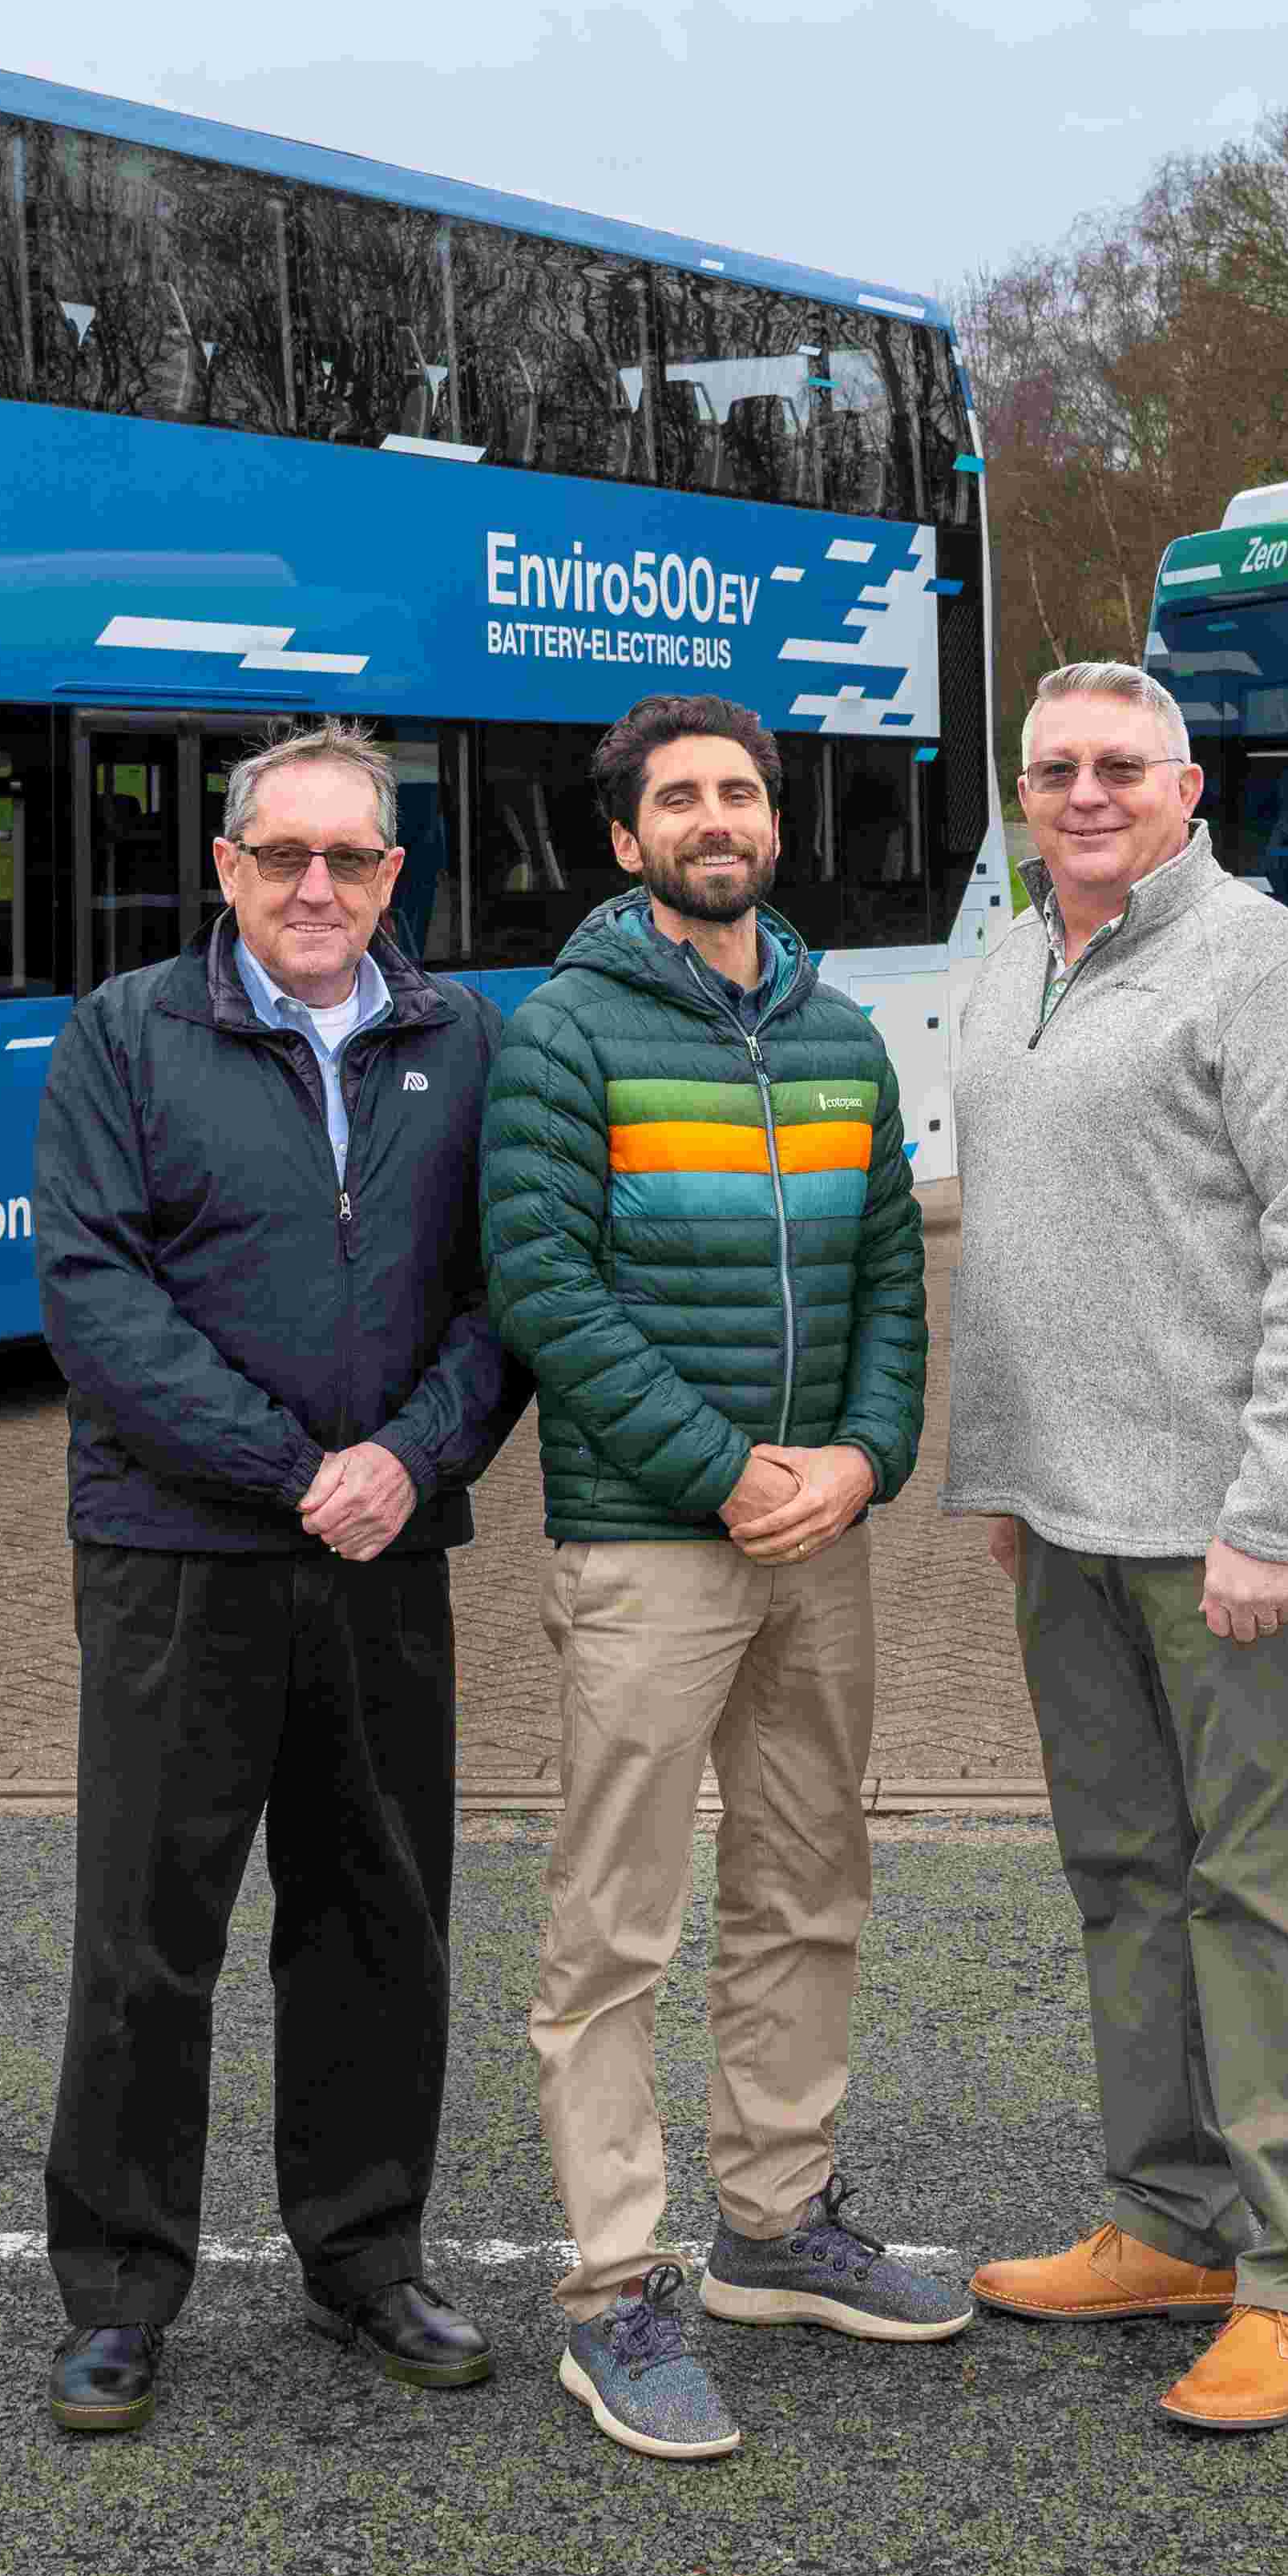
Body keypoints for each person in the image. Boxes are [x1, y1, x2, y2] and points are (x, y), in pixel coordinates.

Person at [27, 720, 525, 2439]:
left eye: (353, 860)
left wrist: (413, 1457)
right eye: (282, 856)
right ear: (227, 870)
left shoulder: (465, 1042)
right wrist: (294, 1469)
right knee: (146, 1937)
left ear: (395, 879)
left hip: (389, 1553)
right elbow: (96, 1300)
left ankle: (366, 2255)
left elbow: (503, 1294)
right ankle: (116, 2294)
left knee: (380, 1917)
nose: (317, 887)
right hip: (181, 1559)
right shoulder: (125, 1036)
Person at [478, 694, 960, 2462]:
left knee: (808, 1878)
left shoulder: (842, 1036)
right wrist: (723, 1470)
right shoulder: (563, 1037)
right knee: (613, 1926)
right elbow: (545, 1289)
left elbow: (898, 1284)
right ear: (624, 840)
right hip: (648, 1544)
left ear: (776, 824)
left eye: (739, 792)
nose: (714, 816)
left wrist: (857, 1461)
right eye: (676, 796)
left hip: (814, 1540)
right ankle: (614, 2293)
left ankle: (776, 2222)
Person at [938, 659, 1288, 2437]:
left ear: (1191, 789)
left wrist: (1274, 1511)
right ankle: (1168, 2217)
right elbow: (1022, 1245)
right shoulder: (1009, 961)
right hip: (1065, 1523)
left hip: (1229, 1537)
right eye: (1055, 768)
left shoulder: (1263, 963)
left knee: (1259, 1892)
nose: (1087, 792)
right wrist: (1002, 1479)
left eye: (1123, 766)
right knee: (1125, 1878)